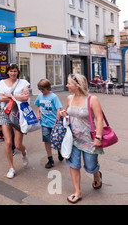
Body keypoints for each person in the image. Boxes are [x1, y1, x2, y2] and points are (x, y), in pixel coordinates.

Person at [60, 73, 104, 204]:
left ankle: (97, 175)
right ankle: (77, 192)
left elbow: (99, 118)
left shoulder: (92, 99)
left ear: (77, 86)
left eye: (69, 83)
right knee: (74, 165)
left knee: (90, 166)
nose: (67, 85)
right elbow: (68, 113)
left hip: (89, 139)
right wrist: (64, 114)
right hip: (73, 138)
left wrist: (98, 137)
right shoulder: (69, 98)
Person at [0, 63, 30, 179]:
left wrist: (10, 95)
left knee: (17, 145)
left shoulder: (23, 83)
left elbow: (26, 97)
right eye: (11, 71)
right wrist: (17, 96)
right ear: (7, 72)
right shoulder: (2, 83)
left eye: (15, 71)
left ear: (18, 72)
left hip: (19, 114)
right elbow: (1, 98)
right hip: (5, 114)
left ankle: (24, 152)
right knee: (8, 142)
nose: (13, 73)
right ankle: (11, 168)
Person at [35, 79, 63, 169]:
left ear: (47, 88)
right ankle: (50, 159)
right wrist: (38, 114)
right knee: (47, 140)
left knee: (56, 139)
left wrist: (57, 120)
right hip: (45, 123)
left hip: (54, 123)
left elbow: (59, 109)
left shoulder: (53, 97)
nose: (41, 91)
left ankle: (59, 151)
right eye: (39, 89)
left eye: (42, 89)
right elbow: (38, 106)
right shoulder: (40, 96)